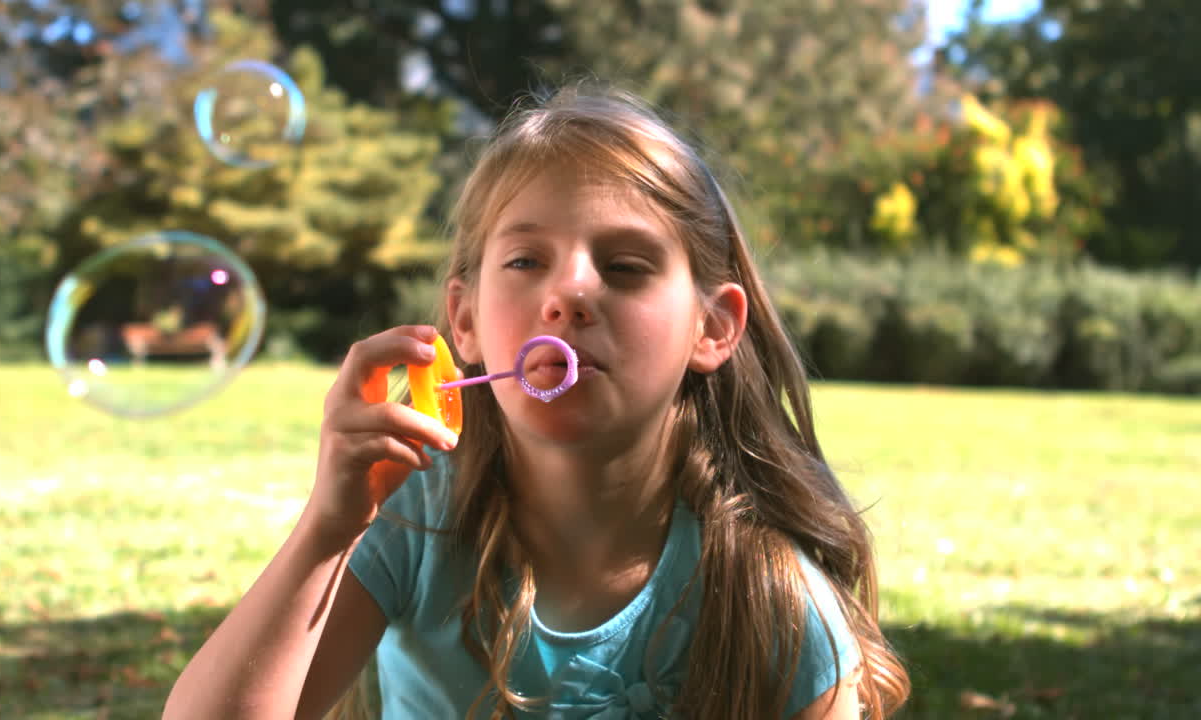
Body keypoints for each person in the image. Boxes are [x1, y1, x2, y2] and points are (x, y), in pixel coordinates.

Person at [163, 83, 910, 720]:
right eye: (525, 260)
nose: (570, 294)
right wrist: (326, 532)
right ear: (465, 321)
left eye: (624, 267)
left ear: (711, 327)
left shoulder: (773, 599)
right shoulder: (417, 523)